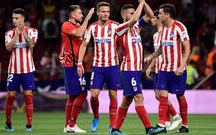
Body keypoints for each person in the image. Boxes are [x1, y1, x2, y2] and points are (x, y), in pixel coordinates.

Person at [145, 4, 190, 134]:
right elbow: (161, 48)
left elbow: (187, 48)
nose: (158, 16)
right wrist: (152, 57)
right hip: (164, 68)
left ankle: (185, 125)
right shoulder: (162, 30)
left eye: (160, 13)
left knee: (180, 96)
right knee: (162, 95)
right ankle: (161, 125)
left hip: (177, 69)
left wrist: (182, 65)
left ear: (167, 14)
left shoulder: (180, 27)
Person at [110, 1, 154, 135]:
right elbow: (135, 18)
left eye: (134, 12)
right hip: (128, 68)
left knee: (126, 100)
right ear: (124, 16)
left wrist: (144, 2)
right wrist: (141, 3)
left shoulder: (136, 27)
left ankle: (115, 129)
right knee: (138, 97)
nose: (134, 14)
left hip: (135, 69)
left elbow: (150, 15)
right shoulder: (120, 28)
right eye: (131, 12)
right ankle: (149, 129)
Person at [77, 2, 121, 132]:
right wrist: (79, 63)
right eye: (103, 11)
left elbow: (124, 41)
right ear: (97, 12)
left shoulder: (116, 26)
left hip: (113, 66)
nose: (105, 13)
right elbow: (84, 45)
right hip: (98, 66)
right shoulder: (92, 28)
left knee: (113, 95)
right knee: (94, 95)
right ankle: (96, 117)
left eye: (107, 11)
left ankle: (112, 124)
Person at [60, 5, 94, 133]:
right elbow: (79, 34)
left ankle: (67, 126)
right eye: (80, 13)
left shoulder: (79, 26)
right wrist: (88, 19)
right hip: (71, 64)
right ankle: (72, 124)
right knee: (82, 93)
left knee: (73, 96)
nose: (82, 15)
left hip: (77, 64)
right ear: (73, 15)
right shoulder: (66, 25)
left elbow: (84, 39)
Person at [4, 8, 38, 132]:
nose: (14, 20)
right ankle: (8, 122)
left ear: (23, 18)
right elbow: (8, 48)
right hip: (13, 70)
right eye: (13, 18)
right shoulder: (8, 33)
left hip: (28, 69)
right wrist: (16, 35)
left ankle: (29, 124)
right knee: (11, 96)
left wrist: (22, 33)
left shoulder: (33, 31)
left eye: (17, 18)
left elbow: (32, 44)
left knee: (28, 96)